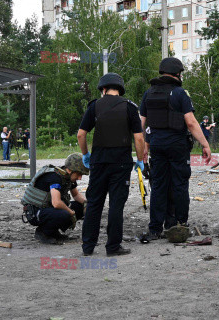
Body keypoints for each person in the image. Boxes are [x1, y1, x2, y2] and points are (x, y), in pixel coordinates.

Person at [139, 57, 211, 240]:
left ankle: (155, 228)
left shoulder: (148, 94)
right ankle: (180, 224)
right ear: (177, 74)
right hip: (177, 146)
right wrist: (205, 144)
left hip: (156, 145)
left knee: (158, 186)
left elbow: (141, 124)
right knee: (179, 185)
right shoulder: (180, 93)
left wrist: (144, 148)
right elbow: (191, 123)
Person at [77, 72, 145, 256]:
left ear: (103, 89)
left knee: (94, 203)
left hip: (98, 162)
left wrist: (86, 155)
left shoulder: (94, 106)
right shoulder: (129, 107)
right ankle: (113, 247)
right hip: (121, 163)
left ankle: (88, 247)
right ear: (120, 90)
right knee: (116, 204)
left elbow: (81, 134)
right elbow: (138, 138)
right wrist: (140, 159)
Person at [21, 153, 88, 244]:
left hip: (47, 209)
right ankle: (43, 232)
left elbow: (76, 195)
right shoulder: (55, 177)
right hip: (35, 212)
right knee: (65, 214)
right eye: (79, 174)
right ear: (70, 170)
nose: (80, 178)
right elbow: (56, 203)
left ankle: (53, 232)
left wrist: (87, 204)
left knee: (79, 206)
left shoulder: (67, 177)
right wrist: (71, 213)